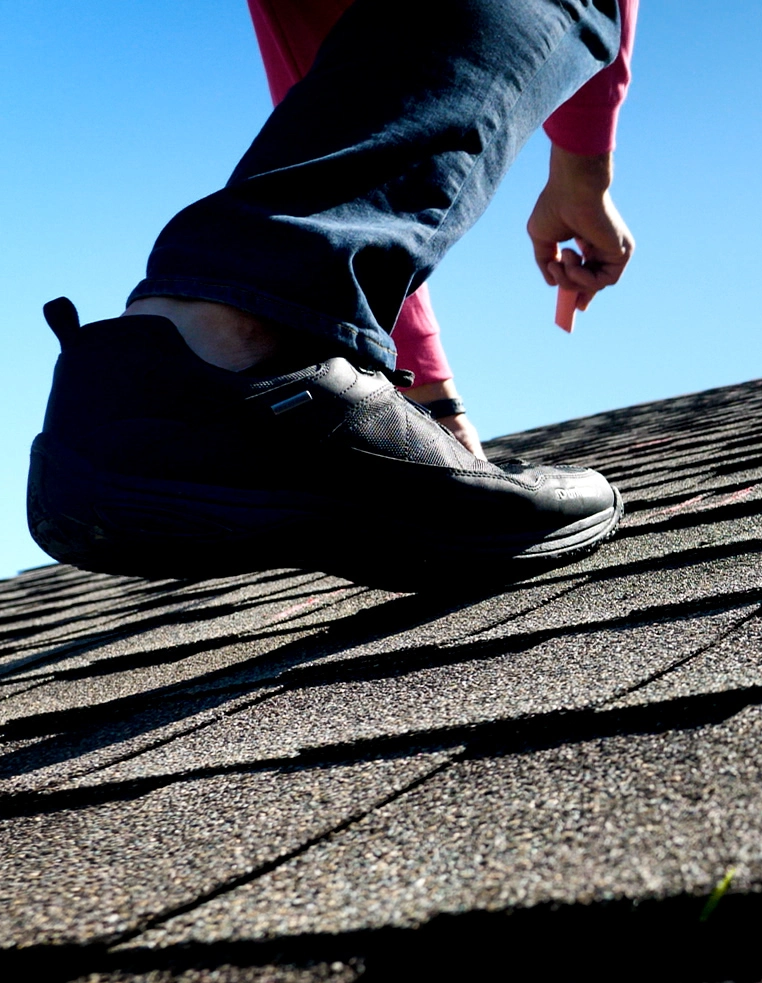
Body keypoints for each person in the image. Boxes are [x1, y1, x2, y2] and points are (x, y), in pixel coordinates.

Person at [27, 0, 637, 591]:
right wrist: (584, 169)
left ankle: (166, 372)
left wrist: (423, 385)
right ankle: (224, 336)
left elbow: (352, 106)